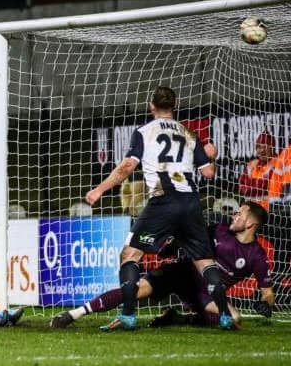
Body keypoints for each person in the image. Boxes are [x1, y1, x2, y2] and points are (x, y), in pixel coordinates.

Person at [85, 86, 234, 330]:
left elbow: (126, 167)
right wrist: (212, 155)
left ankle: (129, 315)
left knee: (130, 255)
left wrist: (100, 189)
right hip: (191, 203)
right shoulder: (189, 134)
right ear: (174, 106)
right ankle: (225, 316)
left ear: (151, 106)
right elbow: (208, 173)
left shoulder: (144, 131)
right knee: (204, 261)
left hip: (162, 201)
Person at [51, 201, 274, 329]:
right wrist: (171, 244)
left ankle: (181, 318)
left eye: (240, 213)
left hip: (207, 293)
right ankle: (74, 314)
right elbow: (188, 238)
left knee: (235, 320)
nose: (235, 214)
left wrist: (266, 304)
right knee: (136, 289)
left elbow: (268, 292)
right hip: (180, 273)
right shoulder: (218, 229)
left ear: (250, 223)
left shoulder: (257, 255)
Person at [238, 131, 276, 211]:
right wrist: (258, 185)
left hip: (269, 211)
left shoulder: (277, 163)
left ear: (272, 147)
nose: (261, 150)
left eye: (265, 146)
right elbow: (242, 187)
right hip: (249, 210)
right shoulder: (251, 164)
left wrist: (250, 182)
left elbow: (266, 184)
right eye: (258, 147)